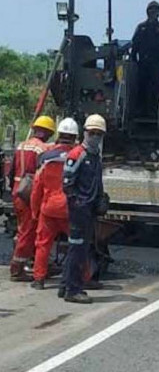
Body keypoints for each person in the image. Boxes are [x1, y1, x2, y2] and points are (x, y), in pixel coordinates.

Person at [60, 114, 106, 304]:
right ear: (85, 133)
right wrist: (77, 202)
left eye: (98, 134)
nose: (95, 137)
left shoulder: (95, 156)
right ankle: (73, 289)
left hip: (89, 208)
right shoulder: (78, 154)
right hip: (80, 210)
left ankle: (65, 285)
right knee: (78, 249)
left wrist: (101, 200)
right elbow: (67, 183)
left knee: (78, 249)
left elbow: (96, 181)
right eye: (92, 133)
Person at [29, 118, 79, 290]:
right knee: (78, 244)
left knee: (42, 244)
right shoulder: (79, 155)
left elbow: (37, 187)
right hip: (70, 209)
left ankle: (38, 279)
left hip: (48, 208)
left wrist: (35, 211)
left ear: (58, 134)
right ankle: (85, 277)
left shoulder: (46, 157)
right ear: (75, 137)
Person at [8, 116, 55, 281]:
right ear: (48, 132)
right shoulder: (43, 149)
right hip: (31, 196)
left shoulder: (21, 146)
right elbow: (44, 175)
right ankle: (17, 269)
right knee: (28, 231)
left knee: (23, 229)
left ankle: (32, 262)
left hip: (17, 192)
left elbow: (11, 172)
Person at [131, 1, 159, 117]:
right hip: (143, 63)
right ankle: (140, 111)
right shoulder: (141, 27)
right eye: (151, 10)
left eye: (155, 10)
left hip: (156, 63)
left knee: (156, 88)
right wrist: (133, 58)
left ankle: (154, 111)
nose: (153, 12)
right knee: (141, 87)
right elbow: (134, 44)